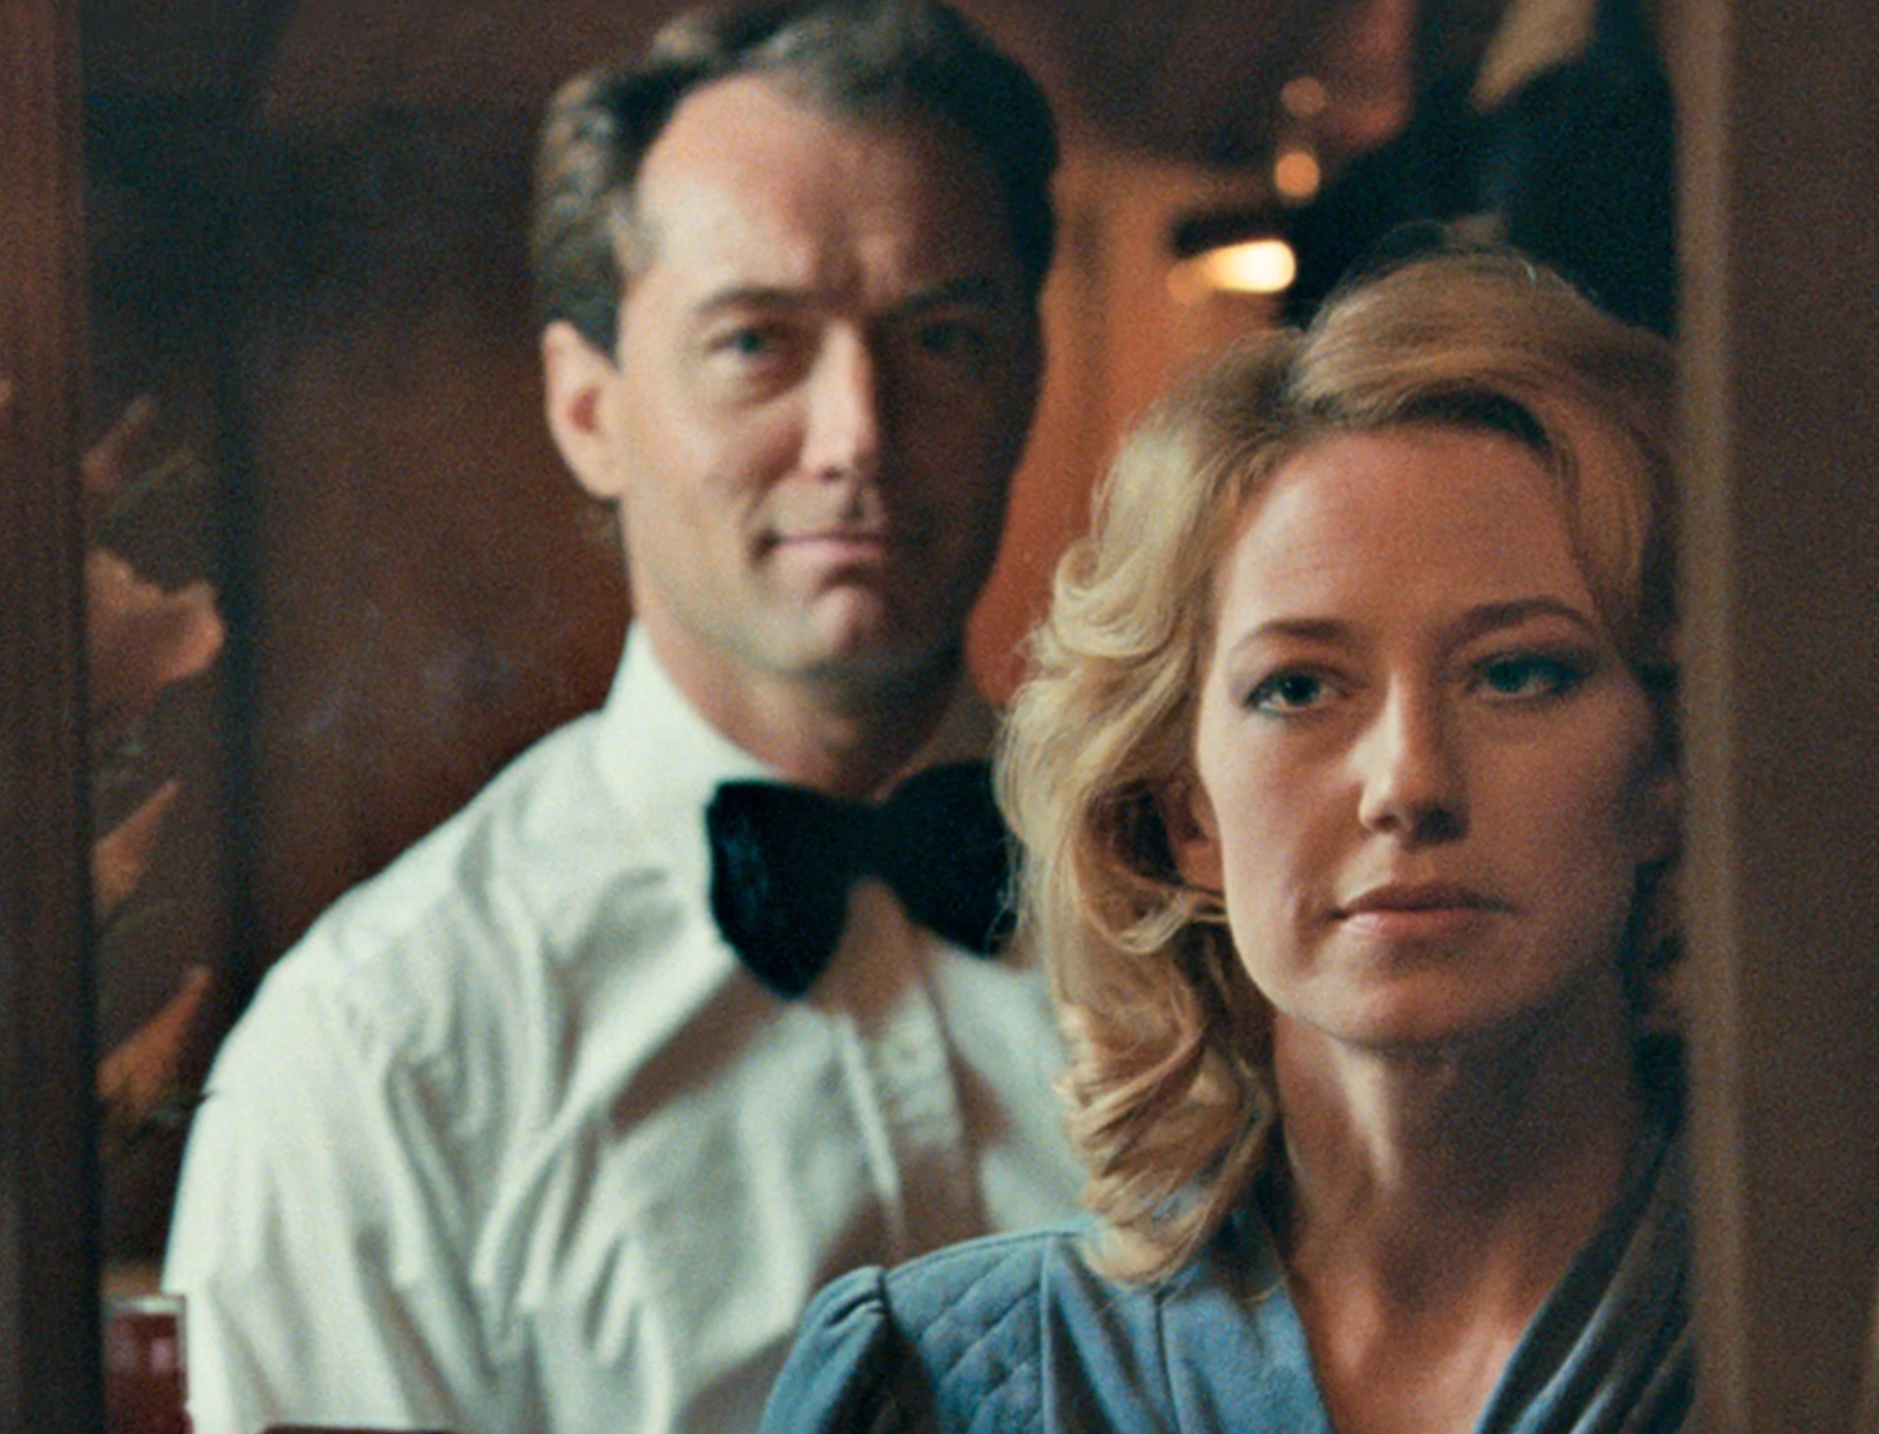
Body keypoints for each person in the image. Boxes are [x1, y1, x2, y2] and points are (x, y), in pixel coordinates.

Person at [162, 4, 1082, 1432]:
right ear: (588, 410)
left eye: (941, 337)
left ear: (1025, 377)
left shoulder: (1224, 917)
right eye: (755, 342)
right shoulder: (376, 1056)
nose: (857, 433)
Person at [759, 245, 1691, 1434]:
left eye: (1514, 675)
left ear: (1667, 769)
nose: (1407, 783)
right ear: (1180, 810)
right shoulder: (938, 1382)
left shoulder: (1845, 1320)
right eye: (1299, 689)